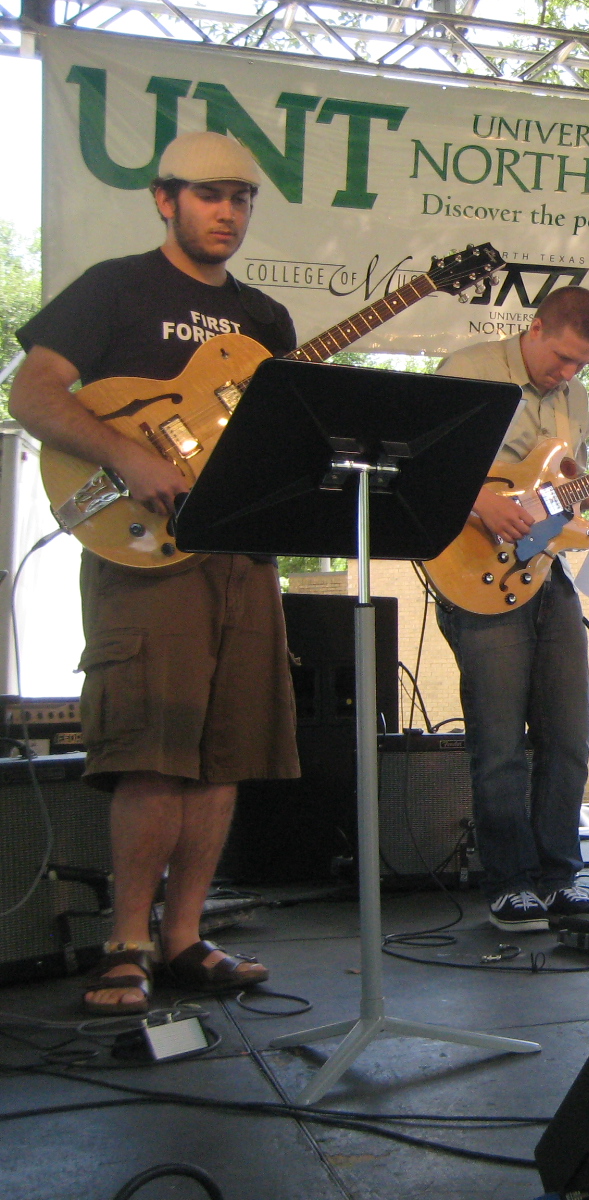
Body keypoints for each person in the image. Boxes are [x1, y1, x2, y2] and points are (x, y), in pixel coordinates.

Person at [11, 132, 298, 1014]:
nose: (229, 212)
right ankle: (124, 944)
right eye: (211, 195)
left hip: (241, 556)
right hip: (141, 549)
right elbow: (32, 392)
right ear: (163, 198)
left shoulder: (267, 321)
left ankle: (183, 939)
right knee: (151, 752)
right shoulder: (115, 287)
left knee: (224, 754)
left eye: (243, 198)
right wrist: (129, 456)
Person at [434, 287, 589, 931]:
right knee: (501, 739)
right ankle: (509, 882)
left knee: (568, 735)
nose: (567, 373)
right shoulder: (468, 371)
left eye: (580, 365)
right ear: (534, 329)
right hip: (474, 567)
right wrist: (482, 503)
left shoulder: (576, 400)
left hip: (549, 569)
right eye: (561, 358)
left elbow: (568, 495)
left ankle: (558, 875)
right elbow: (425, 469)